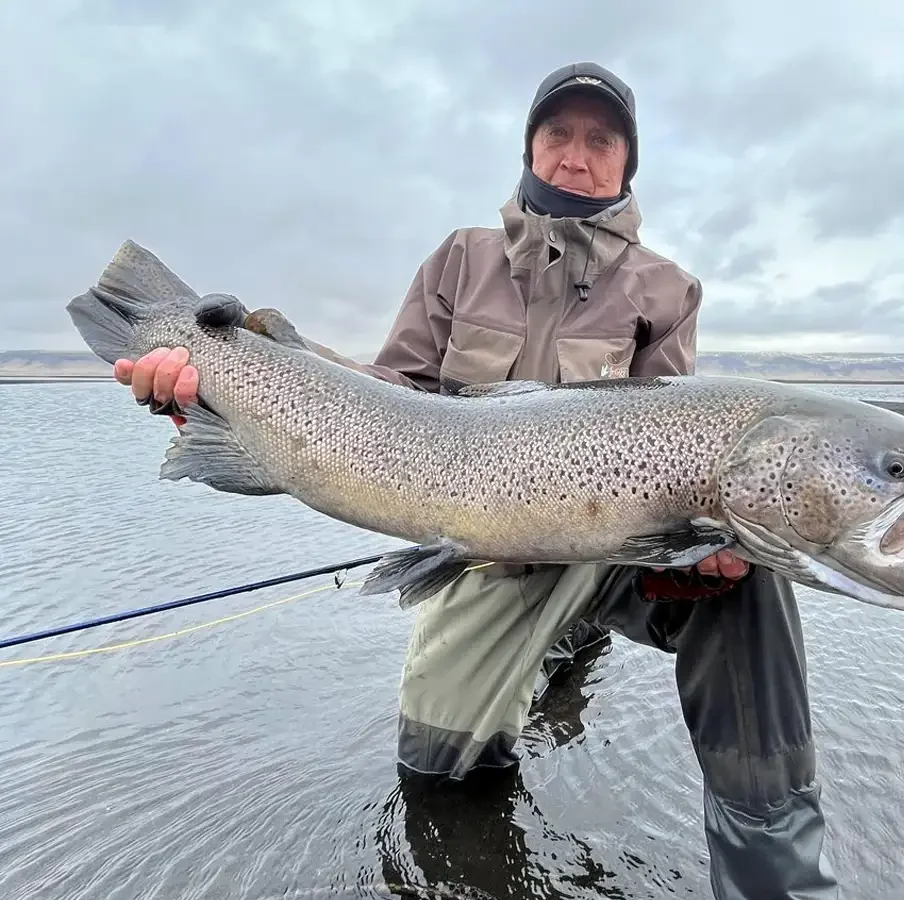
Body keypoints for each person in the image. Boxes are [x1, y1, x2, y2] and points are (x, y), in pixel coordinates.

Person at [114, 61, 840, 899]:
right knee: (440, 778)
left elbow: (675, 443)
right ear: (530, 148)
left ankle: (779, 875)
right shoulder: (460, 259)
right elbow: (391, 406)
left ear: (626, 164)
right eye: (557, 134)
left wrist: (708, 550)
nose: (576, 155)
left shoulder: (667, 289)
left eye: (600, 139)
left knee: (754, 581)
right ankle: (528, 686)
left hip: (609, 554)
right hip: (482, 557)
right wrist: (254, 371)